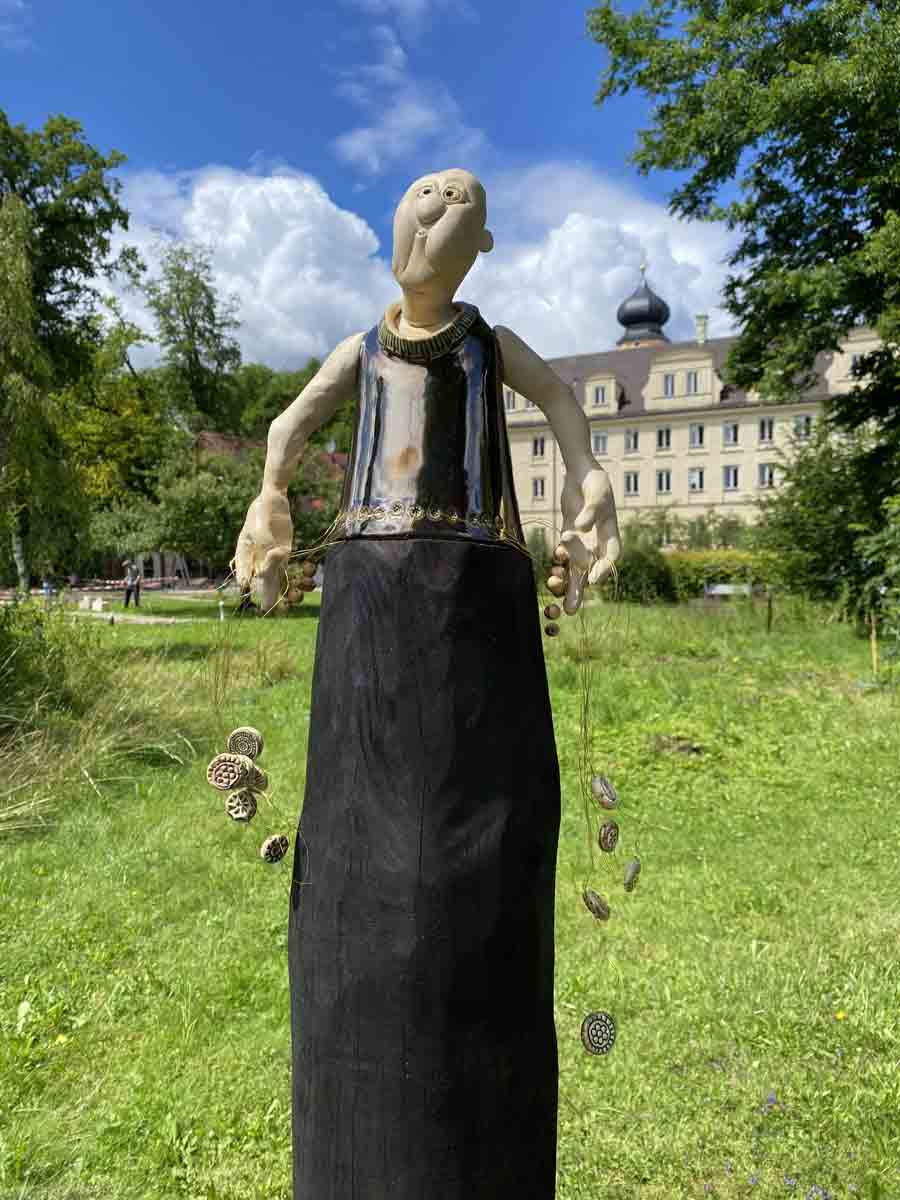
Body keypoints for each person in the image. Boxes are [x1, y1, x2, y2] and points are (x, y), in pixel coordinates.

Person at [234, 168, 620, 1199]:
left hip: (479, 609)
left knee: (481, 864)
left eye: (459, 207)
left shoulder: (489, 346)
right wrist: (268, 502)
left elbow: (563, 399)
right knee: (356, 855)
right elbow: (285, 431)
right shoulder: (362, 352)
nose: (438, 208)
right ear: (391, 227)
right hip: (368, 610)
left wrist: (587, 476)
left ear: (480, 250)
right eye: (424, 197)